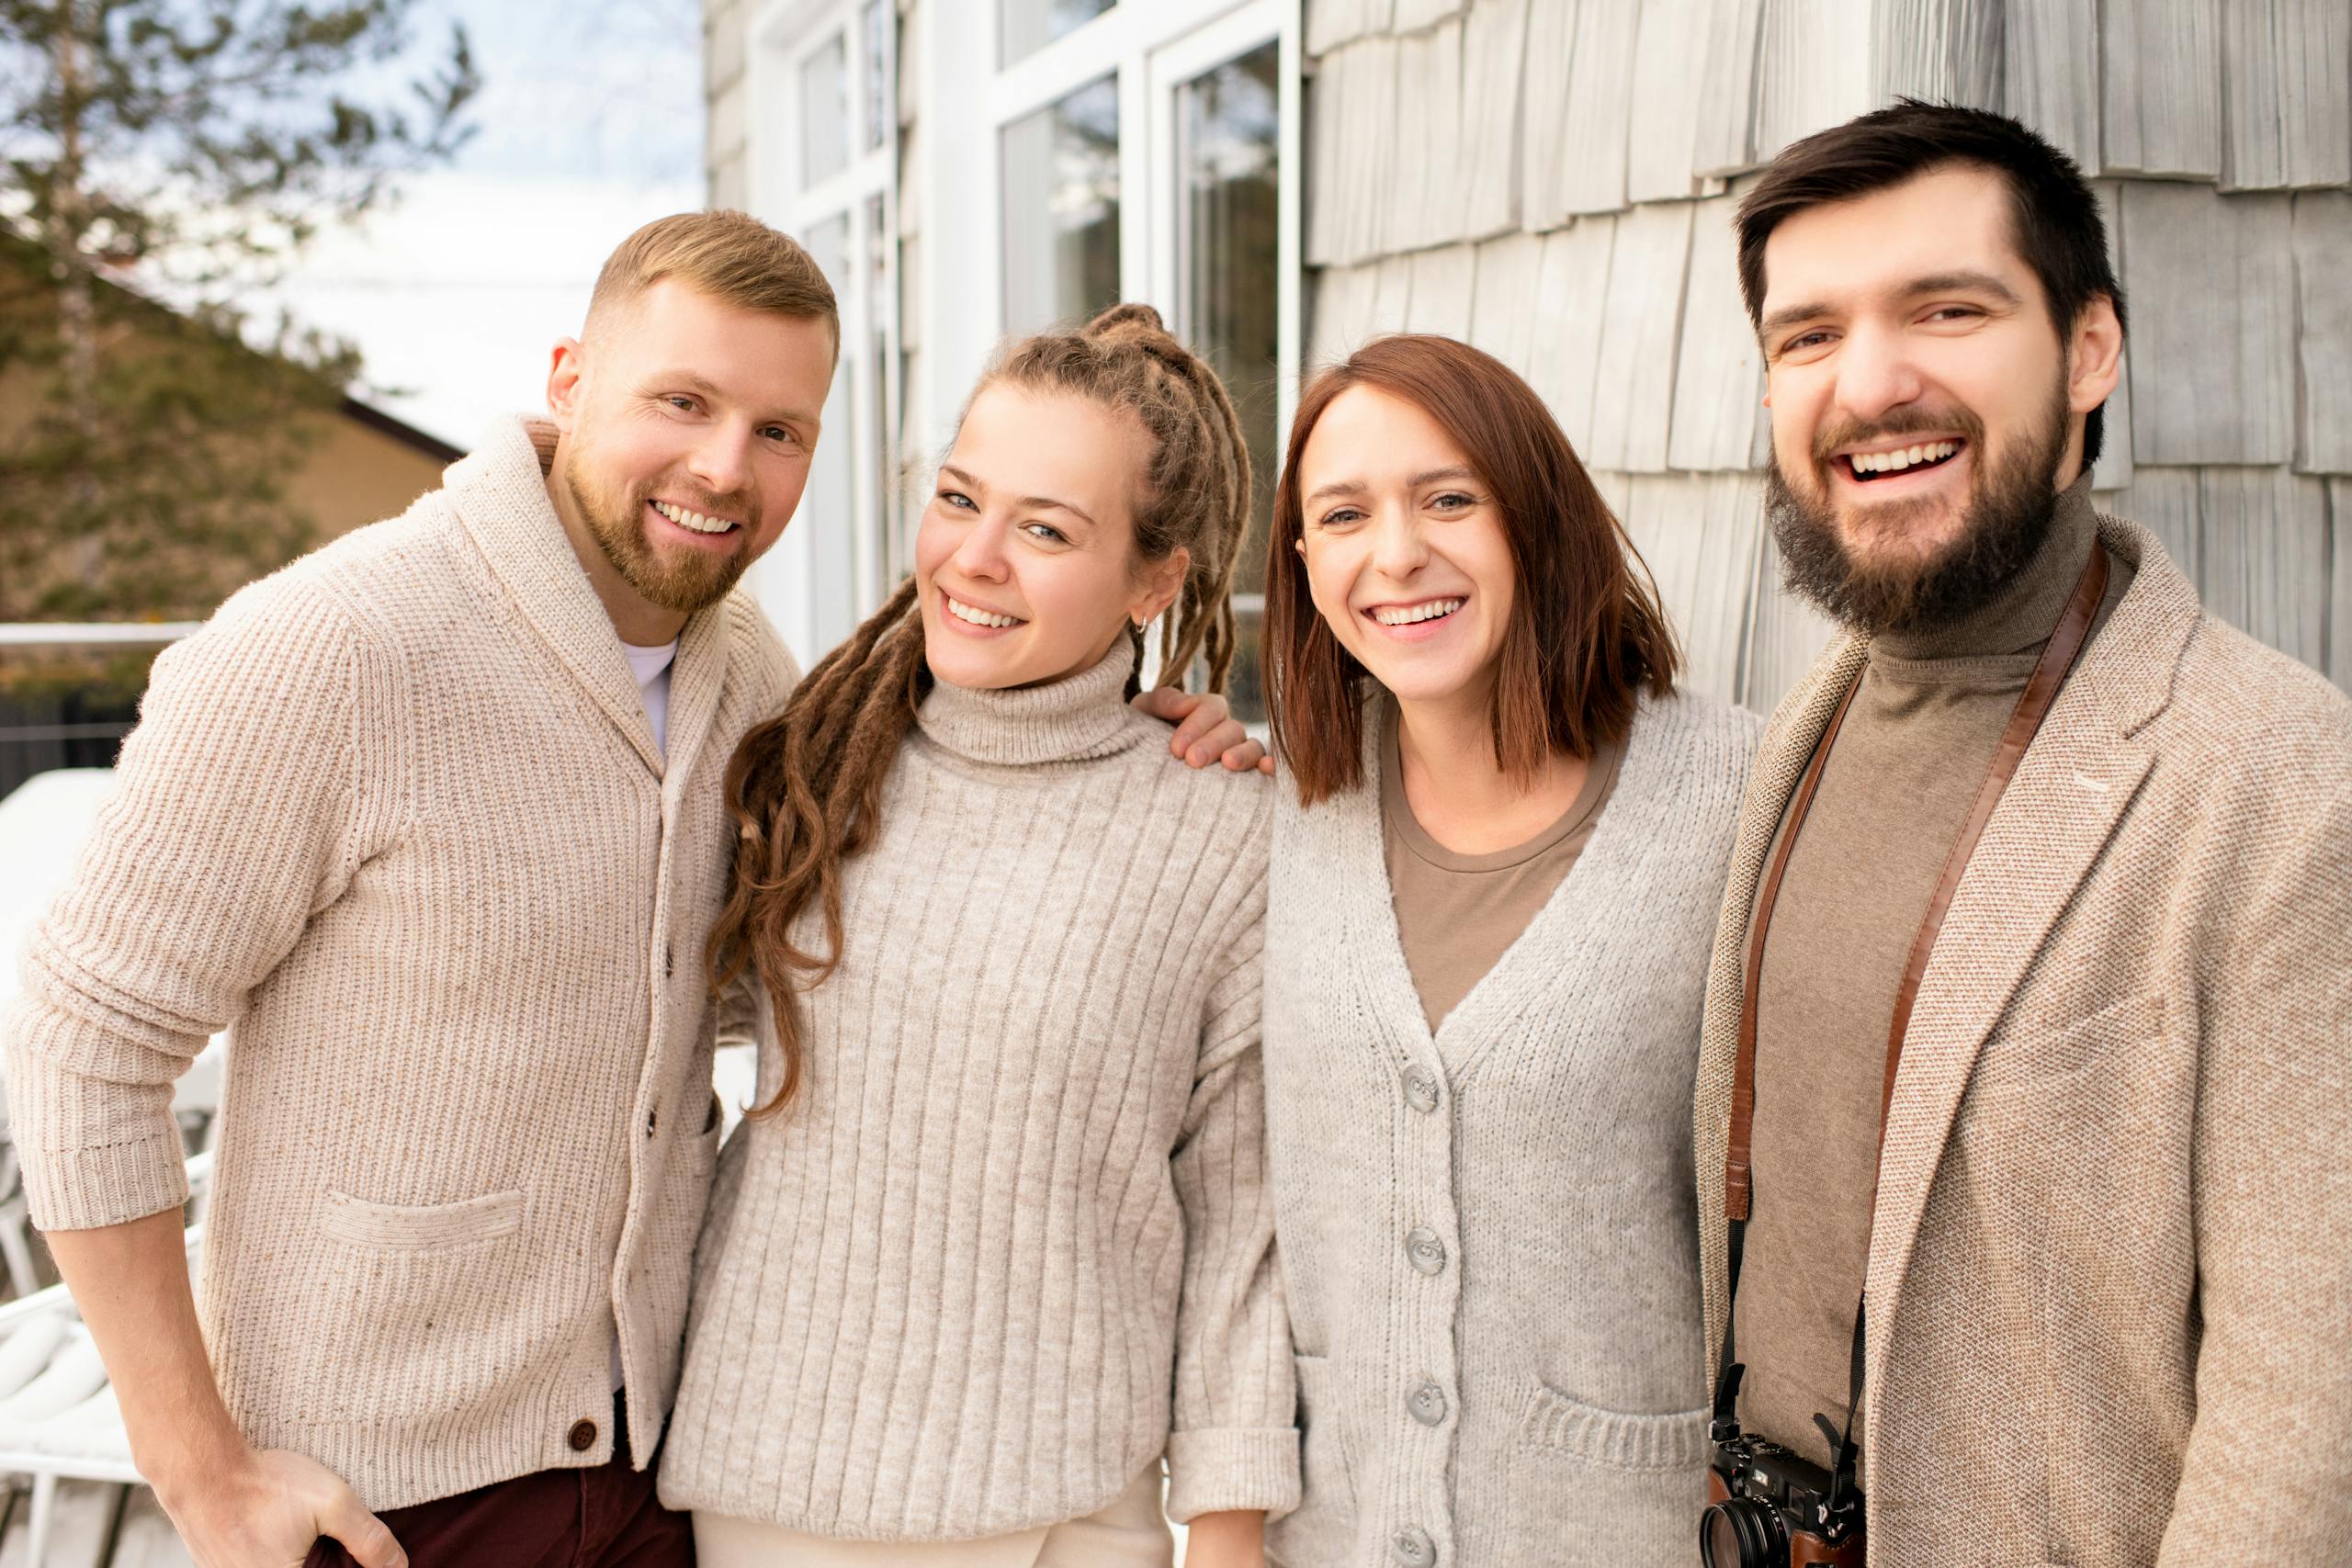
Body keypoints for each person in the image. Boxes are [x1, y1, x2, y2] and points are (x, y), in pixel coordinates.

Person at [2, 217, 1260, 1568]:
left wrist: (1139, 756)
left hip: (651, 1468)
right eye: (681, 401)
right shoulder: (337, 647)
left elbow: (795, 980)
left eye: (779, 430)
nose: (723, 467)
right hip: (384, 1494)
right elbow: (83, 1041)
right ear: (568, 378)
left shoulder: (756, 681)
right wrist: (201, 1470)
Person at [1694, 100, 2352, 1563]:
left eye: (1948, 309)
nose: (1871, 383)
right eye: (1809, 335)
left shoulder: (2278, 783)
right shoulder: (1796, 734)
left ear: (2090, 348)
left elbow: (2303, 1423)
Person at [657, 303, 1295, 1567]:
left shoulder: (1227, 835)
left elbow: (1245, 1226)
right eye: (959, 499)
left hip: (1076, 1516)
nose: (976, 558)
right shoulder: (811, 764)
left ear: (1156, 581)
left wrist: (1227, 1536)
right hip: (772, 1498)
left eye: (1047, 529)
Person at [1255, 333, 1759, 1567]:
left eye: (1448, 499)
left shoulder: (1740, 797)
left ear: (1535, 515)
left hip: (1623, 1536)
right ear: (1304, 562)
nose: (1397, 554)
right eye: (1344, 514)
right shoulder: (1275, 807)